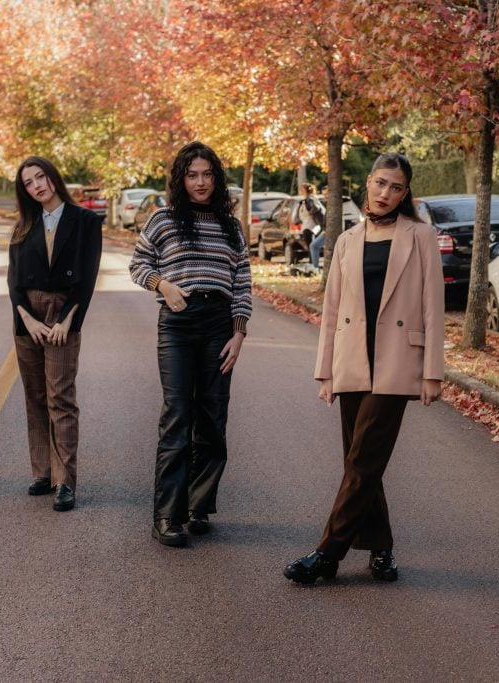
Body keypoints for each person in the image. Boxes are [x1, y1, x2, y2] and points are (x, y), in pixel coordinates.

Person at [283, 152, 444, 584]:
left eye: (395, 187)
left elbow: (432, 307)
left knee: (362, 461)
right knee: (361, 462)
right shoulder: (347, 241)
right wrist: (326, 372)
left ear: (405, 193)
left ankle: (327, 555)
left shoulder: (421, 236)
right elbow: (332, 312)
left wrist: (433, 371)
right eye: (380, 183)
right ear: (368, 183)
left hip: (397, 363)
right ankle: (381, 548)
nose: (386, 193)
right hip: (353, 360)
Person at [129, 141, 252, 547]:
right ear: (182, 179)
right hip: (178, 326)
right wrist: (162, 283)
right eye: (192, 175)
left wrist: (238, 333)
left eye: (207, 174)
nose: (200, 182)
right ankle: (167, 515)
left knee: (213, 421)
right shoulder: (163, 220)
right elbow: (138, 264)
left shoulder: (231, 227)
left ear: (216, 178)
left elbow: (242, 284)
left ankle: (198, 506)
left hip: (219, 326)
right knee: (178, 417)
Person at [8, 156, 103, 512]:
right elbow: (13, 282)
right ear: (26, 190)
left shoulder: (85, 221)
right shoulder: (22, 226)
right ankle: (42, 472)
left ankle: (65, 482)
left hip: (65, 313)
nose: (37, 185)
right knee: (34, 396)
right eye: (29, 182)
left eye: (40, 176)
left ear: (52, 177)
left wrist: (67, 321)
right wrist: (27, 320)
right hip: (27, 318)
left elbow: (88, 278)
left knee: (59, 397)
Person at [295, 183, 326, 270]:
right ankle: (312, 264)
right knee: (311, 246)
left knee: (311, 246)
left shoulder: (310, 199)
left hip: (310, 226)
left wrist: (309, 213)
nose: (300, 191)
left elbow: (316, 208)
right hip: (308, 225)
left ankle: (313, 265)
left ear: (306, 190)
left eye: (302, 189)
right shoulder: (307, 199)